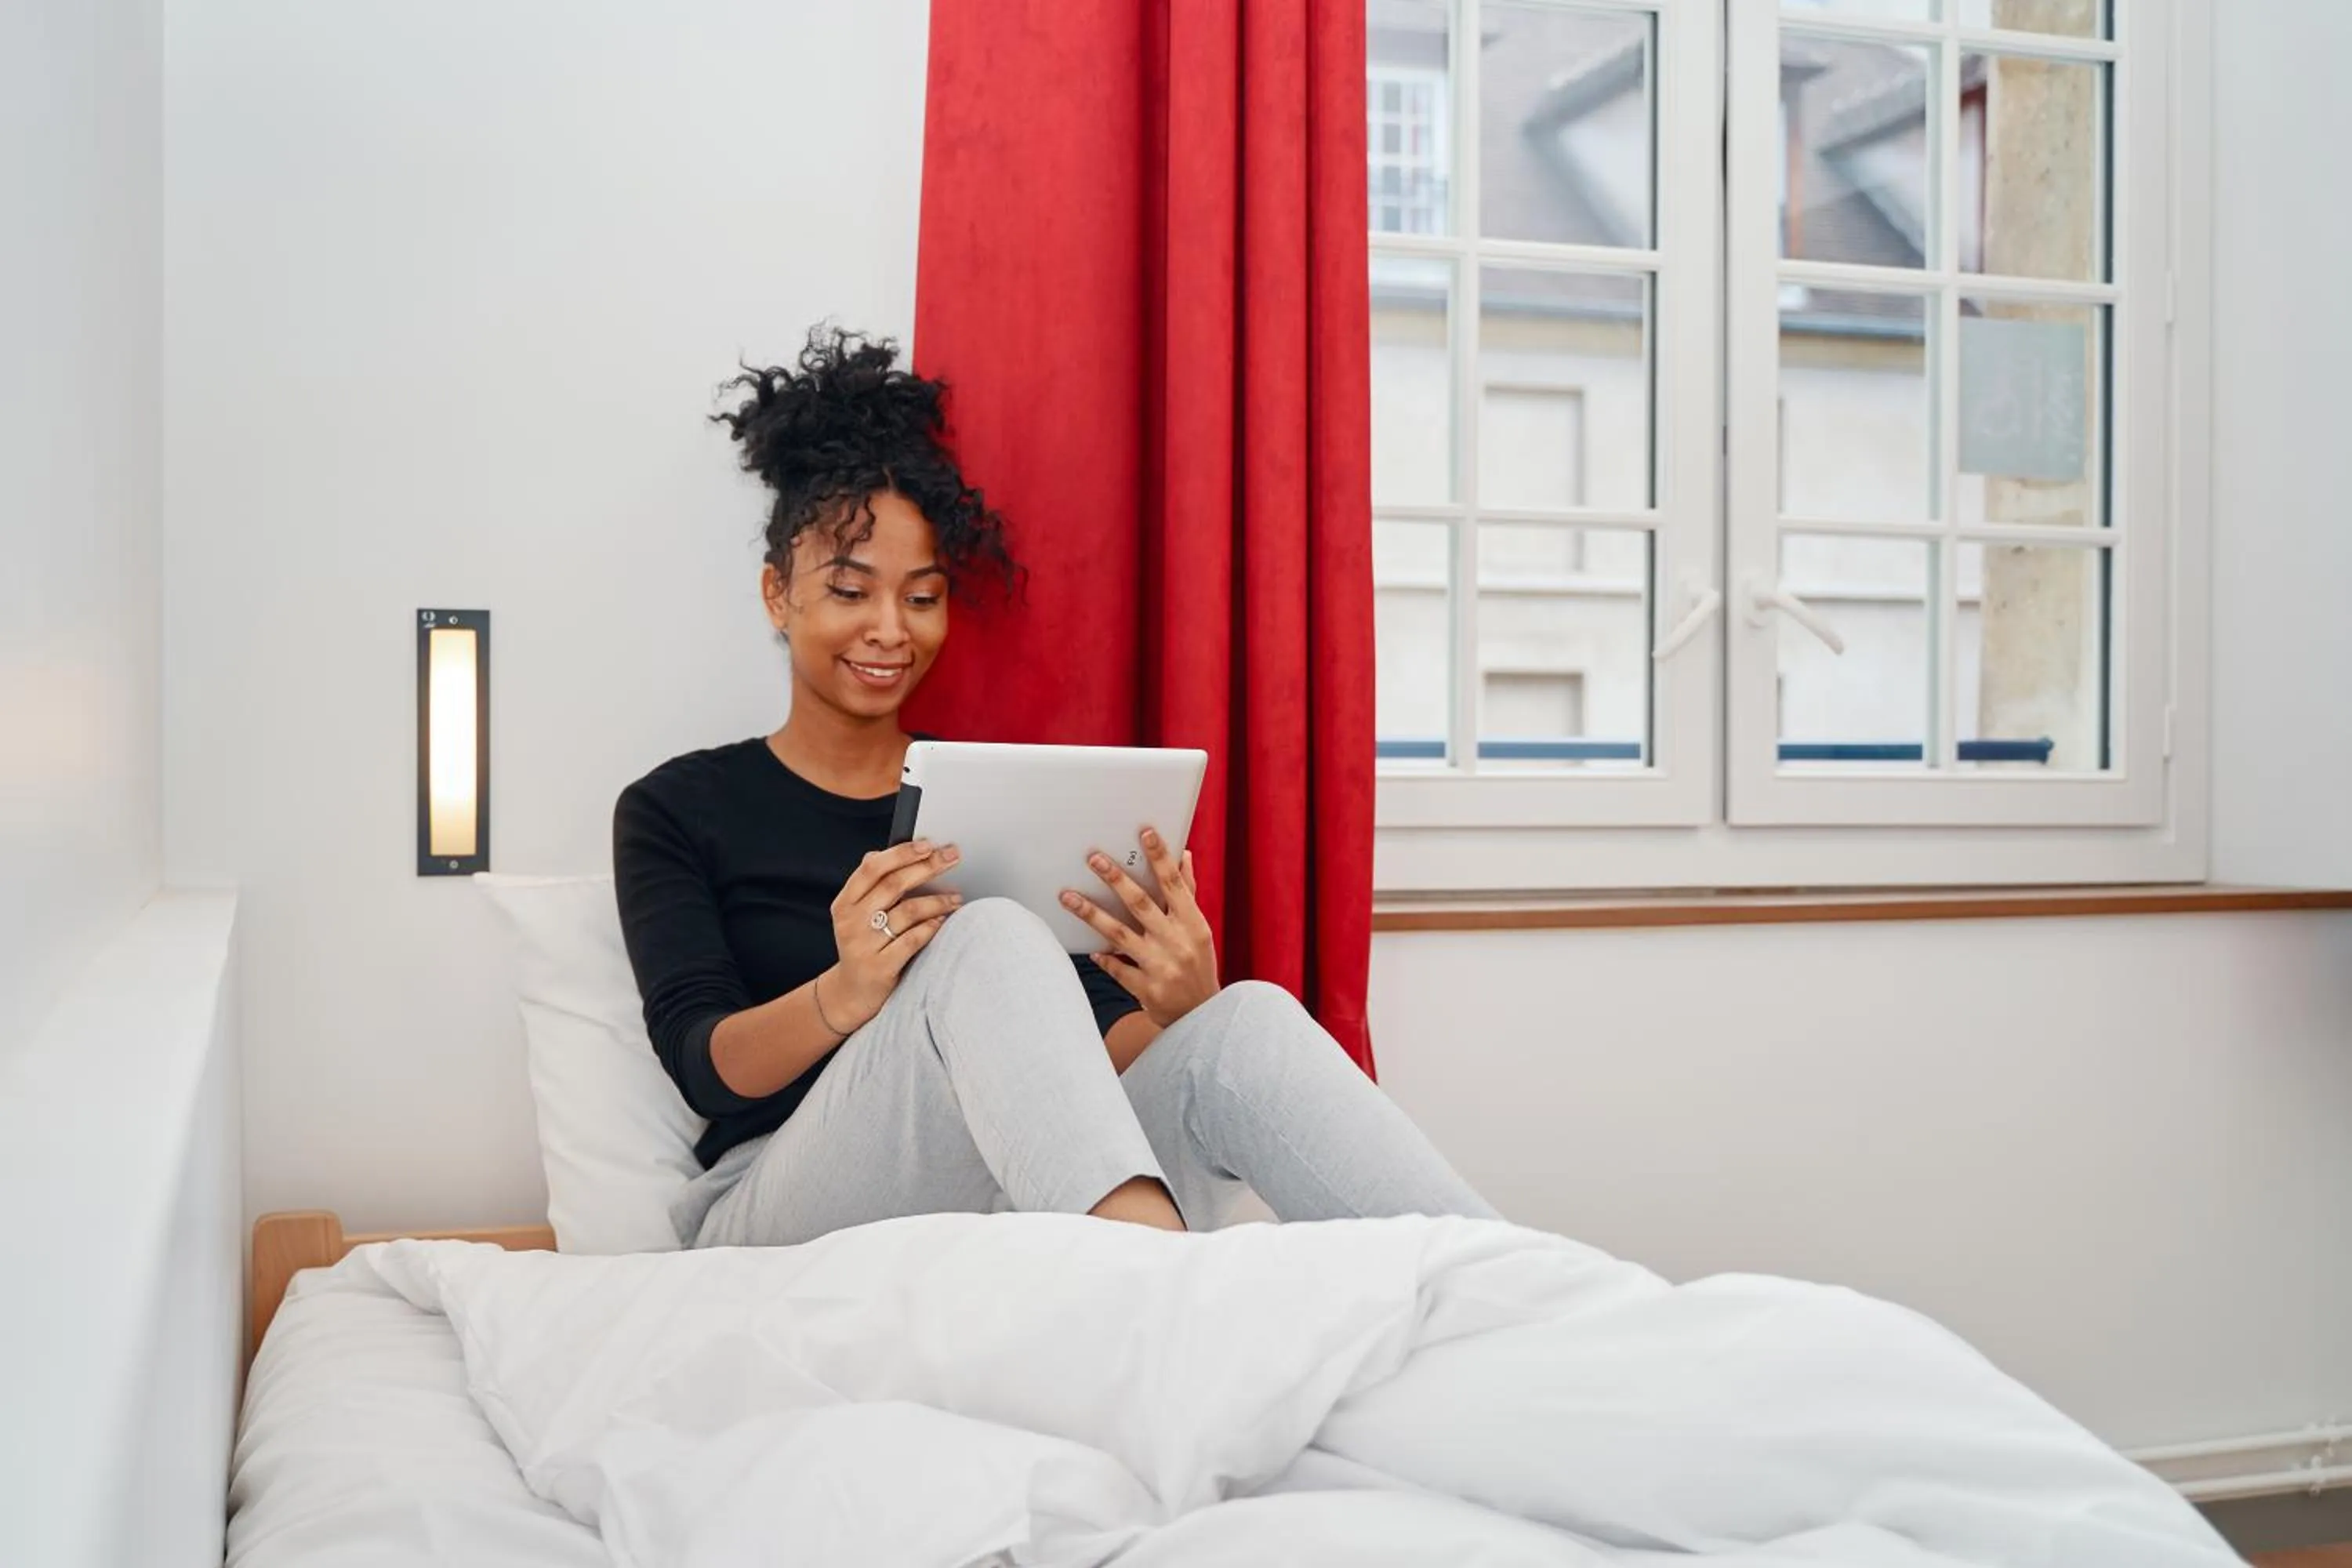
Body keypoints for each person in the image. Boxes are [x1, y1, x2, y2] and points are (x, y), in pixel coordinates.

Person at [614, 325, 1496, 1248]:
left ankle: (1505, 1285)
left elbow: (1083, 1054)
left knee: (1247, 1021)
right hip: (777, 1204)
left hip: (1020, 1177)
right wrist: (848, 989)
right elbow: (703, 1065)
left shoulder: (993, 792)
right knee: (986, 934)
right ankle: (1157, 1280)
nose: (890, 629)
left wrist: (1183, 1011)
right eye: (849, 590)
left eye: (922, 596)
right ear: (777, 594)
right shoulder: (677, 808)